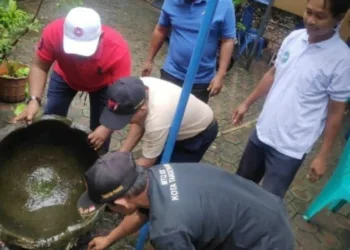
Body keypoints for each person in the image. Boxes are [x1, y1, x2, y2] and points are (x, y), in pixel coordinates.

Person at [232, 0, 350, 198]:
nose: (310, 20)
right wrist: (246, 103)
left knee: (266, 204)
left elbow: (336, 112)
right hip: (262, 132)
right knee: (238, 187)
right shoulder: (295, 37)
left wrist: (323, 156)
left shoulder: (342, 60)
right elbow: (273, 73)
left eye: (320, 16)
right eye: (308, 12)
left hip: (290, 149)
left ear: (338, 18)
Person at [77, 151, 295, 250]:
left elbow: (166, 227)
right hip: (267, 209)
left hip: (264, 242)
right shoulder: (158, 174)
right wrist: (108, 239)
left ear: (123, 203)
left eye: (109, 207)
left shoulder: (168, 231)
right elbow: (142, 213)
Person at [13, 7, 132, 154]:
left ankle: (98, 166)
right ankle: (48, 153)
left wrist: (107, 127)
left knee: (99, 133)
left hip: (103, 86)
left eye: (83, 52)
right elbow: (39, 66)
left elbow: (122, 96)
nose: (77, 58)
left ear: (100, 37)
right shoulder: (54, 32)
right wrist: (33, 100)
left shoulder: (118, 50)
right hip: (64, 76)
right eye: (73, 50)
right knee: (51, 118)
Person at [89, 76, 218, 168]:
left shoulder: (156, 121)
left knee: (167, 176)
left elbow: (146, 162)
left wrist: (116, 173)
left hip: (198, 133)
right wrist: (122, 153)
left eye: (126, 119)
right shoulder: (135, 88)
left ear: (142, 109)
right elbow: (140, 122)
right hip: (171, 122)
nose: (127, 123)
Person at [141, 0, 236, 103]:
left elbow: (227, 40)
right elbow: (161, 29)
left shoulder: (222, 4)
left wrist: (220, 75)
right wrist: (149, 60)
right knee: (165, 110)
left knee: (191, 117)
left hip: (201, 80)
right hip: (171, 72)